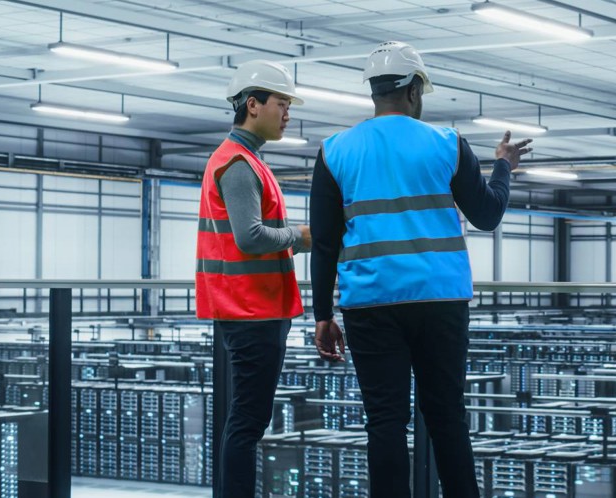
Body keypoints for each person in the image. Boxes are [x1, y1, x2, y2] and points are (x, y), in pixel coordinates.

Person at [309, 41, 533, 498]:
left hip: (370, 303)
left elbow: (326, 242)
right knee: (447, 416)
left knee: (385, 422)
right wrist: (503, 167)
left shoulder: (335, 151)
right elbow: (487, 215)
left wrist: (321, 315)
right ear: (414, 90)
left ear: (374, 92)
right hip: (440, 302)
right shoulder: (447, 145)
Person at [195, 59, 311, 498]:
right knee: (247, 422)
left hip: (253, 308)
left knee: (246, 419)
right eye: (281, 103)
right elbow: (251, 237)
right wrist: (301, 237)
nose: (287, 113)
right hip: (250, 310)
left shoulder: (246, 160)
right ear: (252, 104)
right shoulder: (238, 164)